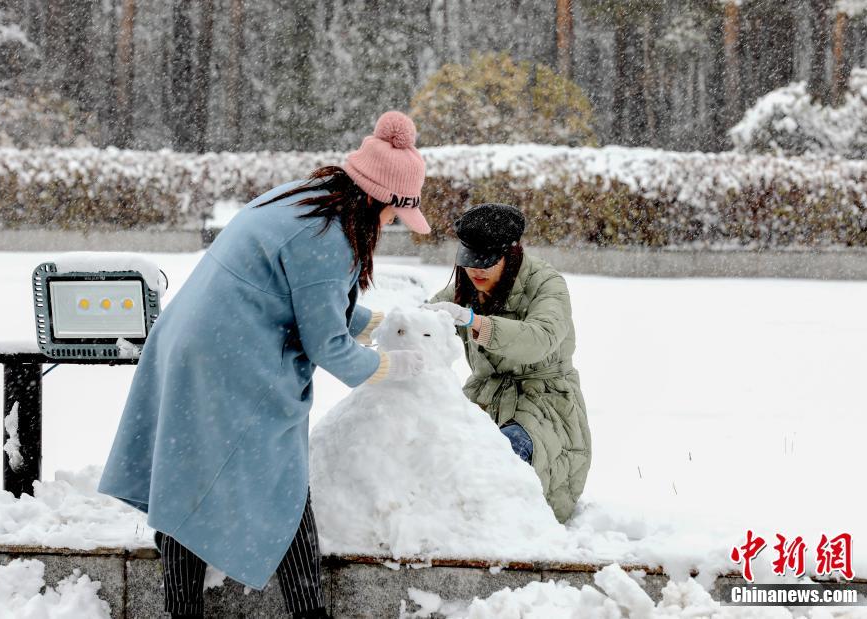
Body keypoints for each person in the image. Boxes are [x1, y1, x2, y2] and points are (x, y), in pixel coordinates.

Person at [98, 111, 430, 619]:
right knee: (284, 483)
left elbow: (307, 297)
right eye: (394, 215)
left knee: (187, 475)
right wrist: (392, 365)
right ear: (375, 198)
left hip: (195, 342)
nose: (391, 225)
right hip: (229, 357)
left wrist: (377, 322)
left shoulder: (303, 199)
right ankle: (308, 612)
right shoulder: (329, 239)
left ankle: (184, 611)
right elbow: (327, 345)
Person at [424, 203, 591, 523]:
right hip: (483, 398)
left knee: (503, 454)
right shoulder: (463, 289)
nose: (476, 271)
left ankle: (495, 529)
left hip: (546, 403)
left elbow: (541, 338)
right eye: (470, 260)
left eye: (487, 261)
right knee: (437, 447)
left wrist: (477, 323)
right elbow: (421, 319)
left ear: (510, 255)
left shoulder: (547, 284)